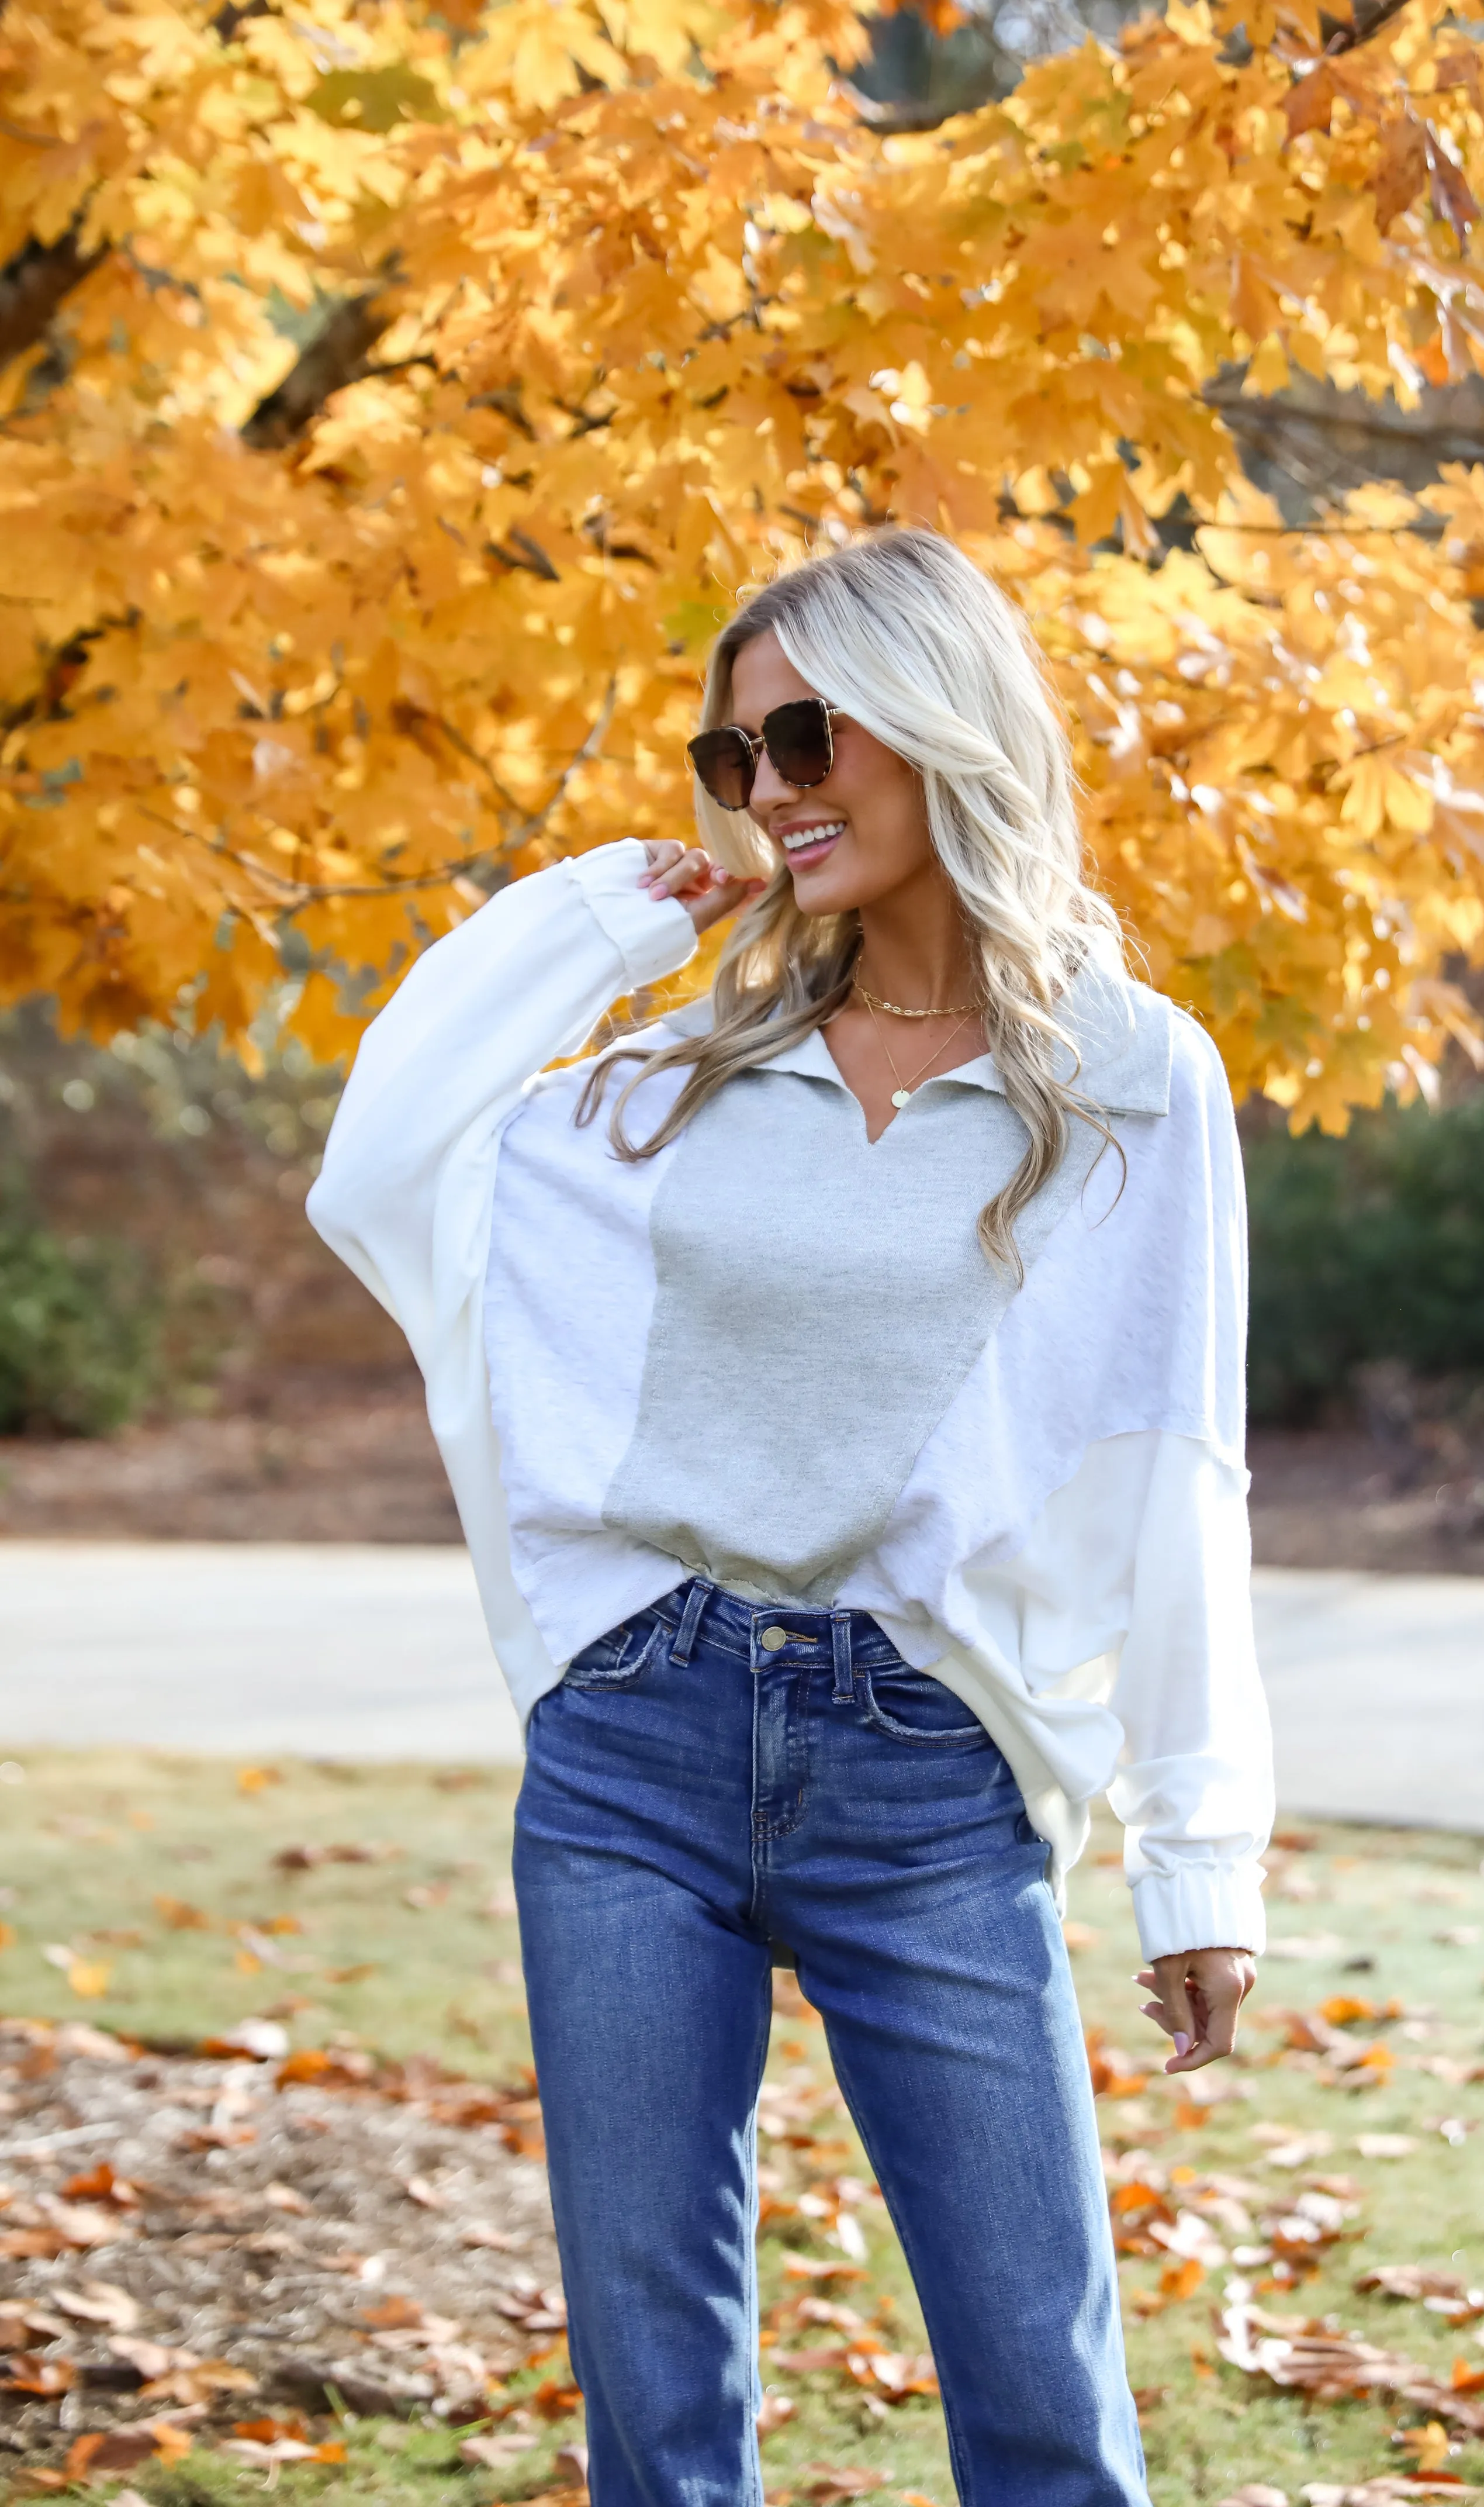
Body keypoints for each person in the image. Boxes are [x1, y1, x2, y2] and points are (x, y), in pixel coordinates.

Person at [308, 526, 1272, 2507]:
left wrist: (1198, 1858)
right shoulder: (674, 1076)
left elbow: (1178, 1462)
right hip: (630, 1755)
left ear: (940, 721)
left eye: (811, 735)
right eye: (731, 756)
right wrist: (602, 916)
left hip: (929, 1773)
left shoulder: (1128, 1080)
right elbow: (381, 1167)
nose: (770, 791)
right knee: (658, 2424)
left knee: (1042, 2404)